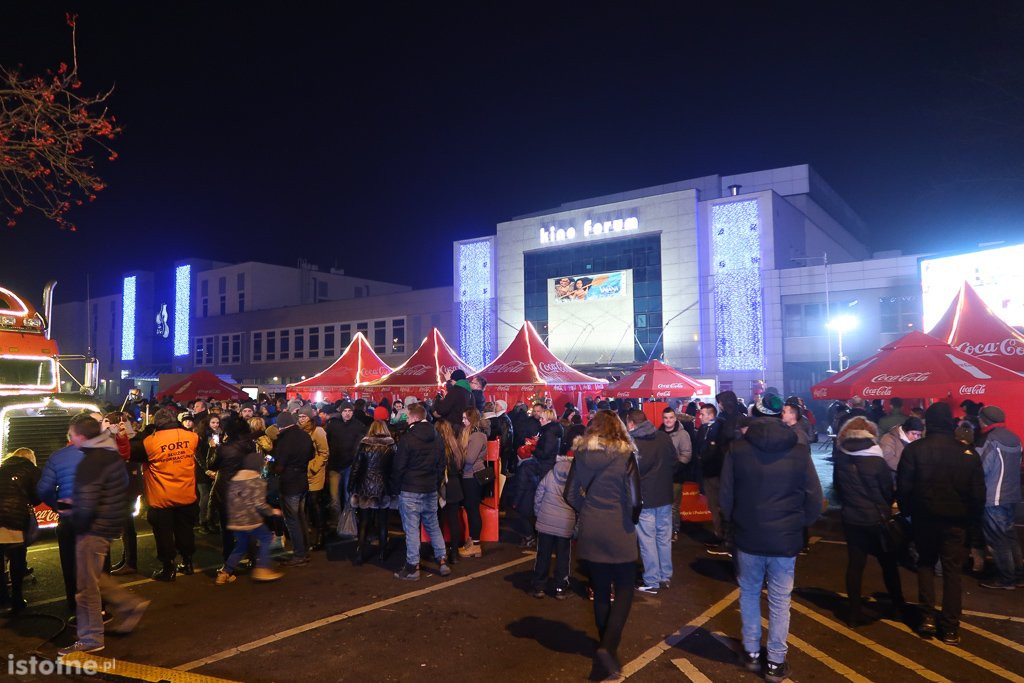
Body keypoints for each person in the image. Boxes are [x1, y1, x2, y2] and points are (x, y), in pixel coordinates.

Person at [720, 416, 823, 682]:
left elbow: (726, 494)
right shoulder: (799, 453)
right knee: (780, 599)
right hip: (784, 538)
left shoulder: (737, 450)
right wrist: (800, 523)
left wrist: (732, 523)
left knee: (749, 592)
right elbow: (814, 496)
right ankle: (776, 660)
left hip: (748, 534)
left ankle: (752, 651)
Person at [59, 417, 149, 656]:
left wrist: (73, 515)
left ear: (80, 436)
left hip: (93, 527)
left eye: (71, 434)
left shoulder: (90, 461)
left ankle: (91, 638)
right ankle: (129, 604)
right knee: (93, 575)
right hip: (108, 522)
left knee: (85, 587)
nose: (70, 438)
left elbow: (87, 502)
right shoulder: (109, 454)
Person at [898, 402, 985, 644]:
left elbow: (904, 488)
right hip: (956, 522)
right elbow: (978, 495)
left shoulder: (915, 450)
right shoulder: (968, 453)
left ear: (929, 423)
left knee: (925, 565)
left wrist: (908, 512)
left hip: (924, 518)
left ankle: (927, 616)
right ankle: (950, 627)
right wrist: (972, 521)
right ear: (950, 423)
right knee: (952, 572)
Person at [564, 410, 641, 678]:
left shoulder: (581, 453)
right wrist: (631, 520)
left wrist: (587, 510)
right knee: (625, 588)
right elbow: (635, 500)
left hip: (592, 526)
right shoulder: (625, 454)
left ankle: (605, 646)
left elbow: (570, 493)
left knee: (599, 589)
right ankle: (608, 646)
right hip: (619, 527)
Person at [832, 417, 904, 626]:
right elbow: (886, 490)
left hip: (852, 518)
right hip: (876, 519)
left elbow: (838, 488)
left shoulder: (841, 457)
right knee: (888, 564)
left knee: (855, 565)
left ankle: (854, 613)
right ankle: (898, 608)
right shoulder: (876, 460)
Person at [136, 408, 200, 582]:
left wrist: (144, 432)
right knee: (185, 531)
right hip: (186, 494)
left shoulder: (149, 441)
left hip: (161, 497)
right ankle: (187, 562)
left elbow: (132, 452)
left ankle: (168, 568)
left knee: (163, 535)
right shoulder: (192, 437)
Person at [392, 403, 450, 580]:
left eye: (408, 417)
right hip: (429, 487)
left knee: (411, 529)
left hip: (410, 488)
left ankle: (413, 566)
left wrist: (396, 487)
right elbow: (441, 463)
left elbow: (399, 466)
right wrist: (435, 481)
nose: (406, 420)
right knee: (433, 525)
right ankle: (442, 560)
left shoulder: (408, 438)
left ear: (414, 418)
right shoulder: (436, 436)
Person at [38, 414, 89, 610]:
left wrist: (59, 506)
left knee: (70, 563)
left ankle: (75, 607)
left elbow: (44, 490)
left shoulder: (57, 457)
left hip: (68, 519)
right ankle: (99, 607)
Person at [974, 405, 1024, 590]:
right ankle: (1019, 575)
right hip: (1012, 495)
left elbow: (981, 468)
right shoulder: (1014, 438)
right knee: (1010, 537)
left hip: (993, 497)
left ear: (984, 420)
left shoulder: (989, 439)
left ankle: (1006, 579)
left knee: (997, 540)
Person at [628, 410, 678, 593]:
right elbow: (674, 461)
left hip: (645, 497)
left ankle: (652, 579)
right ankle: (665, 576)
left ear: (631, 423)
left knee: (647, 539)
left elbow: (631, 472)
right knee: (663, 537)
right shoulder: (663, 437)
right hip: (664, 495)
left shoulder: (633, 443)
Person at [217, 450, 283, 584]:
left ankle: (224, 573)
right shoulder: (257, 482)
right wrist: (273, 511)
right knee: (266, 538)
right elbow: (259, 504)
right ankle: (262, 568)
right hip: (251, 520)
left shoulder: (234, 480)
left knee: (241, 545)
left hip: (235, 521)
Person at [348, 419, 397, 565]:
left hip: (365, 486)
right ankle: (382, 552)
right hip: (383, 487)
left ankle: (360, 553)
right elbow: (395, 468)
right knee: (383, 522)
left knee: (364, 521)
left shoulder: (364, 444)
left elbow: (356, 467)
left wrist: (351, 485)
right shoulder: (391, 445)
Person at [208, 415, 255, 562]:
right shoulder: (250, 446)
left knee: (227, 528)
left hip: (227, 490)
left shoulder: (224, 449)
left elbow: (211, 465)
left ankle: (228, 561)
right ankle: (252, 557)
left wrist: (213, 449)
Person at [0, 447, 41, 615]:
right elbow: (38, 496)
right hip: (14, 519)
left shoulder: (2, 467)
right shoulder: (31, 469)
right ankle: (17, 600)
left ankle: (3, 600)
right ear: (31, 458)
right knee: (17, 560)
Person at [530, 448, 575, 599]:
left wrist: (538, 512)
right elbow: (578, 500)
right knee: (563, 557)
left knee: (543, 555)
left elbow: (539, 492)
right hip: (565, 522)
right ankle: (560, 588)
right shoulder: (575, 477)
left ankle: (539, 587)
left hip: (546, 521)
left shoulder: (551, 473)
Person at [273, 412, 314, 566]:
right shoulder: (305, 435)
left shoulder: (284, 440)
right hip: (302, 480)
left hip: (290, 483)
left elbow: (280, 465)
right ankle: (305, 550)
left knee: (292, 520)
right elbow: (311, 455)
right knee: (301, 517)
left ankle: (299, 554)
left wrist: (272, 465)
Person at [324, 401, 367, 535]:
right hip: (334, 465)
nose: (347, 413)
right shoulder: (332, 425)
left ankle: (348, 523)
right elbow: (326, 442)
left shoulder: (358, 426)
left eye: (350, 411)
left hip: (350, 466)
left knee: (348, 496)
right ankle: (336, 523)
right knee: (334, 498)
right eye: (345, 411)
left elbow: (361, 445)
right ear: (341, 412)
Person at [457, 408, 489, 559]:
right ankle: (473, 541)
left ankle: (476, 545)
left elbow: (470, 459)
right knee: (471, 509)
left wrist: (458, 453)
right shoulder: (472, 434)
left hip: (473, 476)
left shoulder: (476, 435)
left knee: (473, 510)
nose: (463, 421)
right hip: (469, 475)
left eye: (465, 418)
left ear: (472, 419)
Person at [696, 404, 727, 554]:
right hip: (707, 473)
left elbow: (715, 452)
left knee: (719, 505)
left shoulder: (719, 429)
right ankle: (718, 534)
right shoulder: (703, 429)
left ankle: (724, 537)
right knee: (713, 505)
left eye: (703, 414)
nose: (700, 416)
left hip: (716, 474)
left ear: (711, 415)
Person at [658, 407, 693, 543]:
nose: (668, 420)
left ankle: (674, 531)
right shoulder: (658, 433)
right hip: (660, 476)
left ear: (675, 418)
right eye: (666, 418)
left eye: (671, 417)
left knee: (673, 506)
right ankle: (663, 530)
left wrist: (675, 469)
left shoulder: (682, 434)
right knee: (661, 505)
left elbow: (686, 454)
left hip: (676, 476)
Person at [297, 406, 329, 550]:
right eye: (300, 417)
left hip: (315, 473)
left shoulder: (318, 431)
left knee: (315, 503)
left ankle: (321, 536)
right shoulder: (299, 430)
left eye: (304, 417)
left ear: (310, 417)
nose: (301, 419)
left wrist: (313, 467)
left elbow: (324, 452)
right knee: (306, 505)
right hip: (302, 471)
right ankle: (308, 534)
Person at [435, 420, 465, 565]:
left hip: (440, 486)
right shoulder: (455, 446)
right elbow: (460, 466)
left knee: (438, 520)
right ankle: (454, 553)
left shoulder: (436, 446)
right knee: (454, 520)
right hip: (454, 485)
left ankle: (440, 553)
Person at [195, 415, 222, 535]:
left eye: (217, 422)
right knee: (205, 497)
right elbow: (197, 454)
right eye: (213, 422)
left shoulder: (218, 435)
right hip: (202, 471)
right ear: (208, 423)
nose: (216, 425)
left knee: (213, 498)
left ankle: (210, 521)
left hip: (214, 470)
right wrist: (206, 469)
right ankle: (203, 522)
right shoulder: (201, 436)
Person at [433, 370, 474, 434]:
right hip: (466, 427)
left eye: (451, 381)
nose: (451, 383)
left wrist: (437, 401)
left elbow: (443, 409)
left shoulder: (455, 391)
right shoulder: (470, 392)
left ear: (454, 380)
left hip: (453, 428)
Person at [488, 399, 515, 474]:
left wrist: (500, 449)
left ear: (502, 407)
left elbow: (505, 436)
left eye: (497, 405)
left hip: (502, 450)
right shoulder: (498, 418)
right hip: (498, 449)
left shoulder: (504, 419)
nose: (494, 406)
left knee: (500, 471)